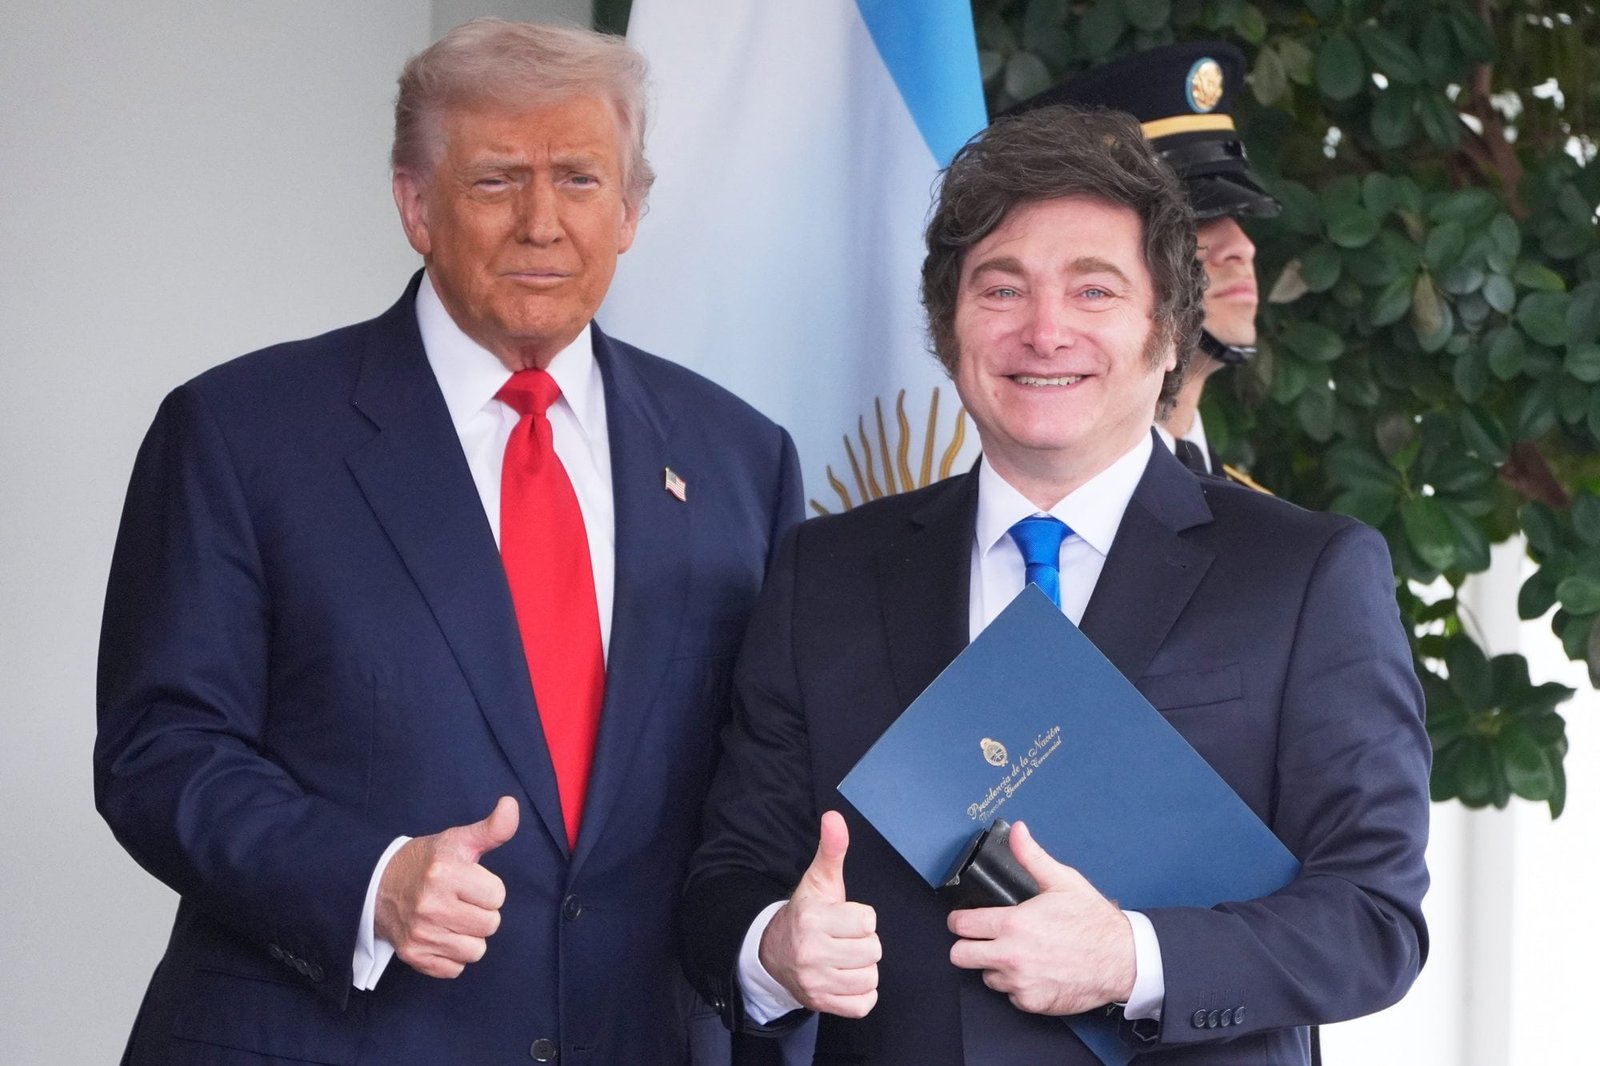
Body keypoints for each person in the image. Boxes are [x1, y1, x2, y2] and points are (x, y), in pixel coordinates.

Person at [95, 19, 800, 1065]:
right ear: (416, 205)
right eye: (495, 180)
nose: (541, 223)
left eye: (579, 179)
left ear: (630, 211)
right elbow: (161, 748)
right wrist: (370, 882)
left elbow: (763, 782)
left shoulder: (741, 457)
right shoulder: (240, 433)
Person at [681, 105, 1429, 1064]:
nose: (1044, 331)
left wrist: (1133, 960)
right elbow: (725, 875)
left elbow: (1373, 918)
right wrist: (772, 948)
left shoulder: (1306, 575)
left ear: (1169, 331)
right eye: (1002, 289)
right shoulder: (823, 573)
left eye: (1094, 290)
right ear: (948, 329)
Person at [1012, 42, 1278, 481]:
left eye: (1238, 217)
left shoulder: (1259, 513)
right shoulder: (1014, 504)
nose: (1241, 246)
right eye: (1188, 223)